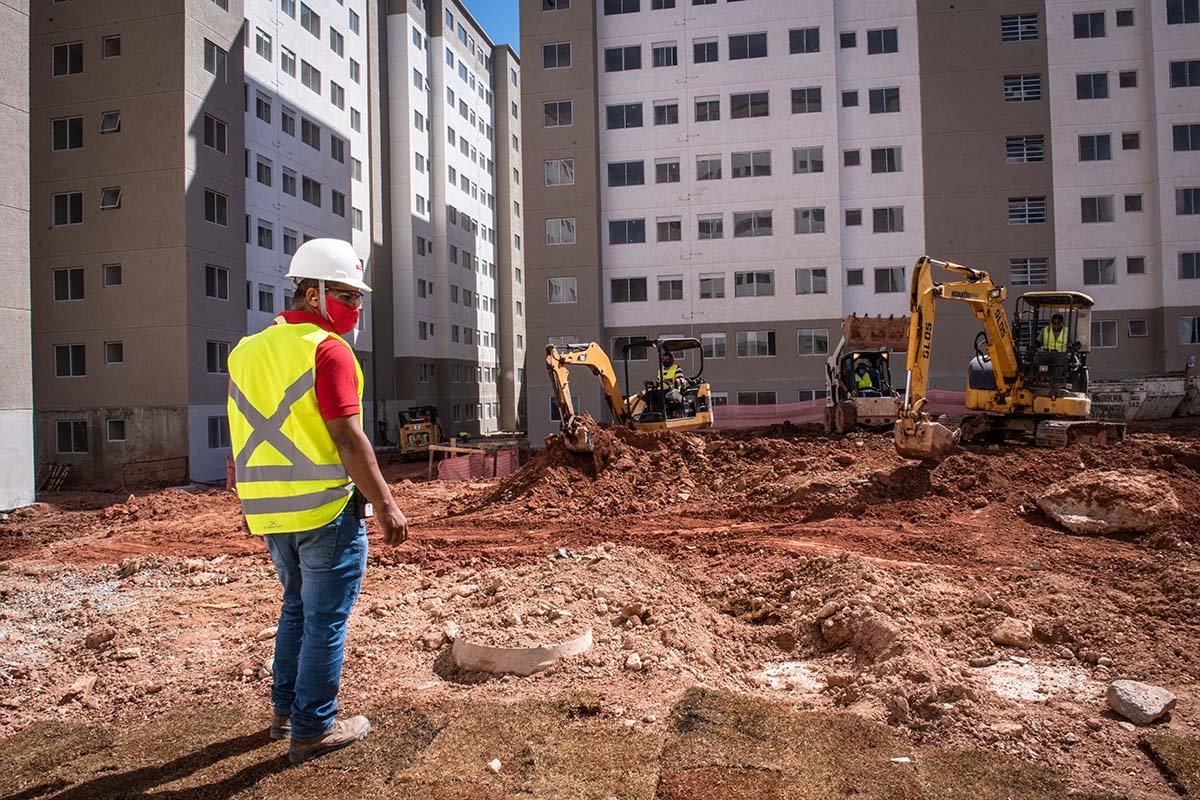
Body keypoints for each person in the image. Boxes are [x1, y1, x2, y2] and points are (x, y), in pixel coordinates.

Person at [226, 238, 408, 765]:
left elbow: (240, 435)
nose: (355, 308)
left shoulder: (245, 351)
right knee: (326, 618)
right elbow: (349, 439)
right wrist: (388, 504)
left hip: (270, 511)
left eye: (357, 298)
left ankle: (285, 711)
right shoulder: (327, 351)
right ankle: (312, 729)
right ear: (312, 293)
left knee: (296, 607)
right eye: (348, 296)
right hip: (325, 509)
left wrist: (245, 504)